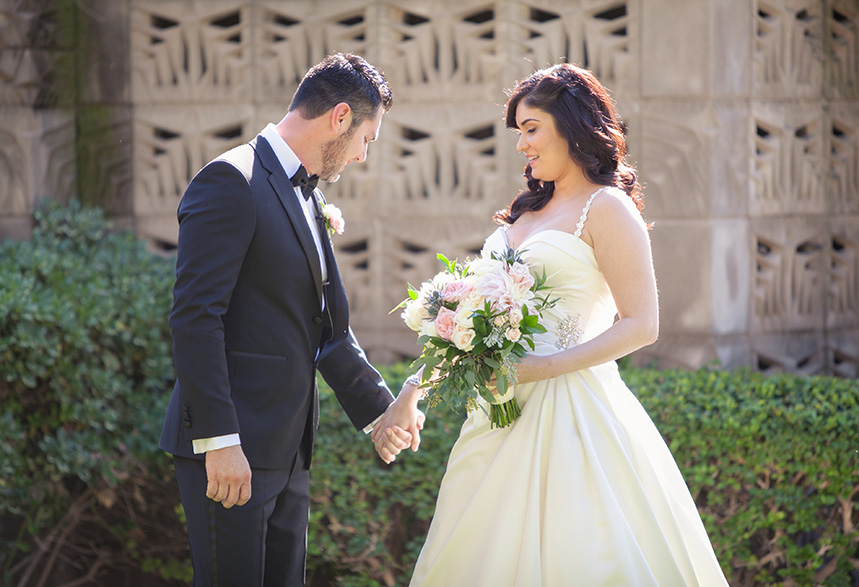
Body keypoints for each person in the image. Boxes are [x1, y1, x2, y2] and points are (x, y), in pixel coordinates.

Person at [398, 63, 729, 585]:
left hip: (577, 414)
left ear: (570, 125)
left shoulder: (606, 208)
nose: (521, 145)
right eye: (519, 132)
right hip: (499, 417)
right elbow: (470, 327)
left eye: (531, 128)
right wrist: (413, 390)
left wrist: (544, 367)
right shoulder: (522, 217)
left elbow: (643, 324)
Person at [159, 53, 422, 587]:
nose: (364, 156)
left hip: (290, 451)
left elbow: (326, 332)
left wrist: (383, 411)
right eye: (367, 139)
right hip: (230, 452)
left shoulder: (308, 195)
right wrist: (220, 441)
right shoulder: (230, 180)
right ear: (341, 117)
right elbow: (194, 317)